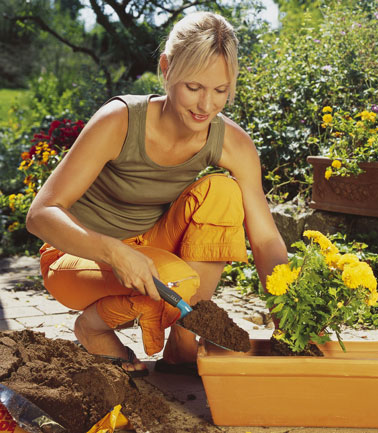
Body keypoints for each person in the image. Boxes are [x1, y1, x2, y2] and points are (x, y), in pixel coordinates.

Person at [26, 11, 288, 377]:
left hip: (152, 248)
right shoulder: (119, 121)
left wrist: (291, 315)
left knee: (224, 192)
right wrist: (114, 251)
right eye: (194, 88)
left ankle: (182, 347)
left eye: (220, 91)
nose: (206, 106)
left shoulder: (232, 143)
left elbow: (265, 241)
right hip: (78, 255)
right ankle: (92, 326)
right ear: (167, 69)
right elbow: (40, 213)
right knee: (177, 282)